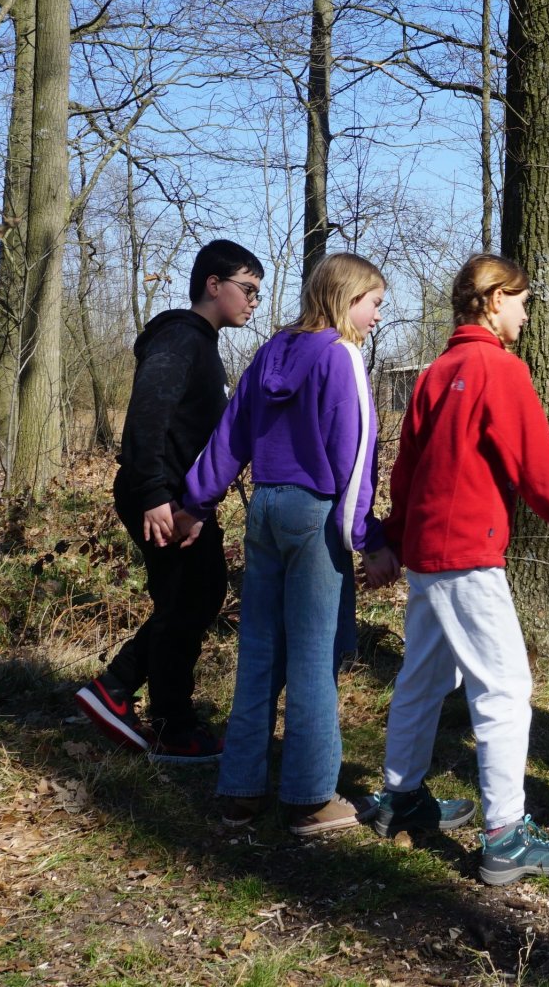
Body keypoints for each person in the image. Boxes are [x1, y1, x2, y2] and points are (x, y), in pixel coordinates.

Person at [368, 254, 549, 885]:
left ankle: (401, 798)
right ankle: (506, 836)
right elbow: (538, 471)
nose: (526, 316)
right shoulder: (498, 370)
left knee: (424, 678)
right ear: (494, 299)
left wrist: (398, 541)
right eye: (523, 302)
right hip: (467, 557)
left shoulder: (436, 371)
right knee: (505, 690)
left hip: (429, 553)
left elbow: (406, 472)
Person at [184, 251, 389, 838]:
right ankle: (309, 798)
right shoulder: (341, 355)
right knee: (313, 660)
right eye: (374, 303)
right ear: (348, 298)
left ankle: (239, 793)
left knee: (259, 655)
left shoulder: (273, 348)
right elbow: (355, 458)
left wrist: (197, 501)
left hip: (266, 510)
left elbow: (231, 433)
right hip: (314, 514)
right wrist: (366, 538)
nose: (376, 316)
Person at [75, 239, 264, 762]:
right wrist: (155, 494)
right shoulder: (182, 338)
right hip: (158, 495)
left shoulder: (202, 343)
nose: (252, 301)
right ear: (213, 284)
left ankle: (133, 698)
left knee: (191, 598)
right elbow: (147, 416)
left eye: (256, 293)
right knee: (192, 599)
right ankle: (159, 718)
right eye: (246, 289)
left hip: (179, 497)